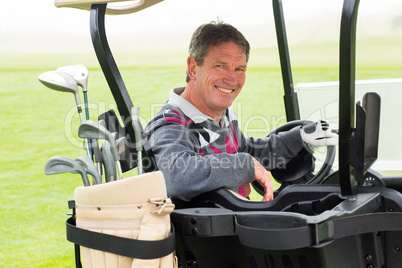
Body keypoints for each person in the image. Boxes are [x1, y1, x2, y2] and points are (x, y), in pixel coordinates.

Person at [144, 21, 337, 202]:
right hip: (204, 235)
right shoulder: (169, 123)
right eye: (220, 66)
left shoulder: (221, 115)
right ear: (193, 68)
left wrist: (299, 138)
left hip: (237, 223)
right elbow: (178, 177)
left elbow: (246, 151)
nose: (232, 79)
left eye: (239, 69)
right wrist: (244, 165)